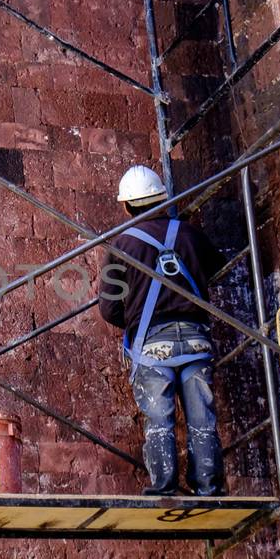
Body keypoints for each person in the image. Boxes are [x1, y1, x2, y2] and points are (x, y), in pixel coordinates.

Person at [98, 165, 227, 496]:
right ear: (163, 199)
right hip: (197, 339)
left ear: (126, 206)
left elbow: (110, 309)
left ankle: (164, 486)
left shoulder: (122, 246)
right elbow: (216, 269)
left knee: (160, 420)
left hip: (152, 343)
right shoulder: (192, 234)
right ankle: (208, 487)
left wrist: (140, 317)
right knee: (202, 418)